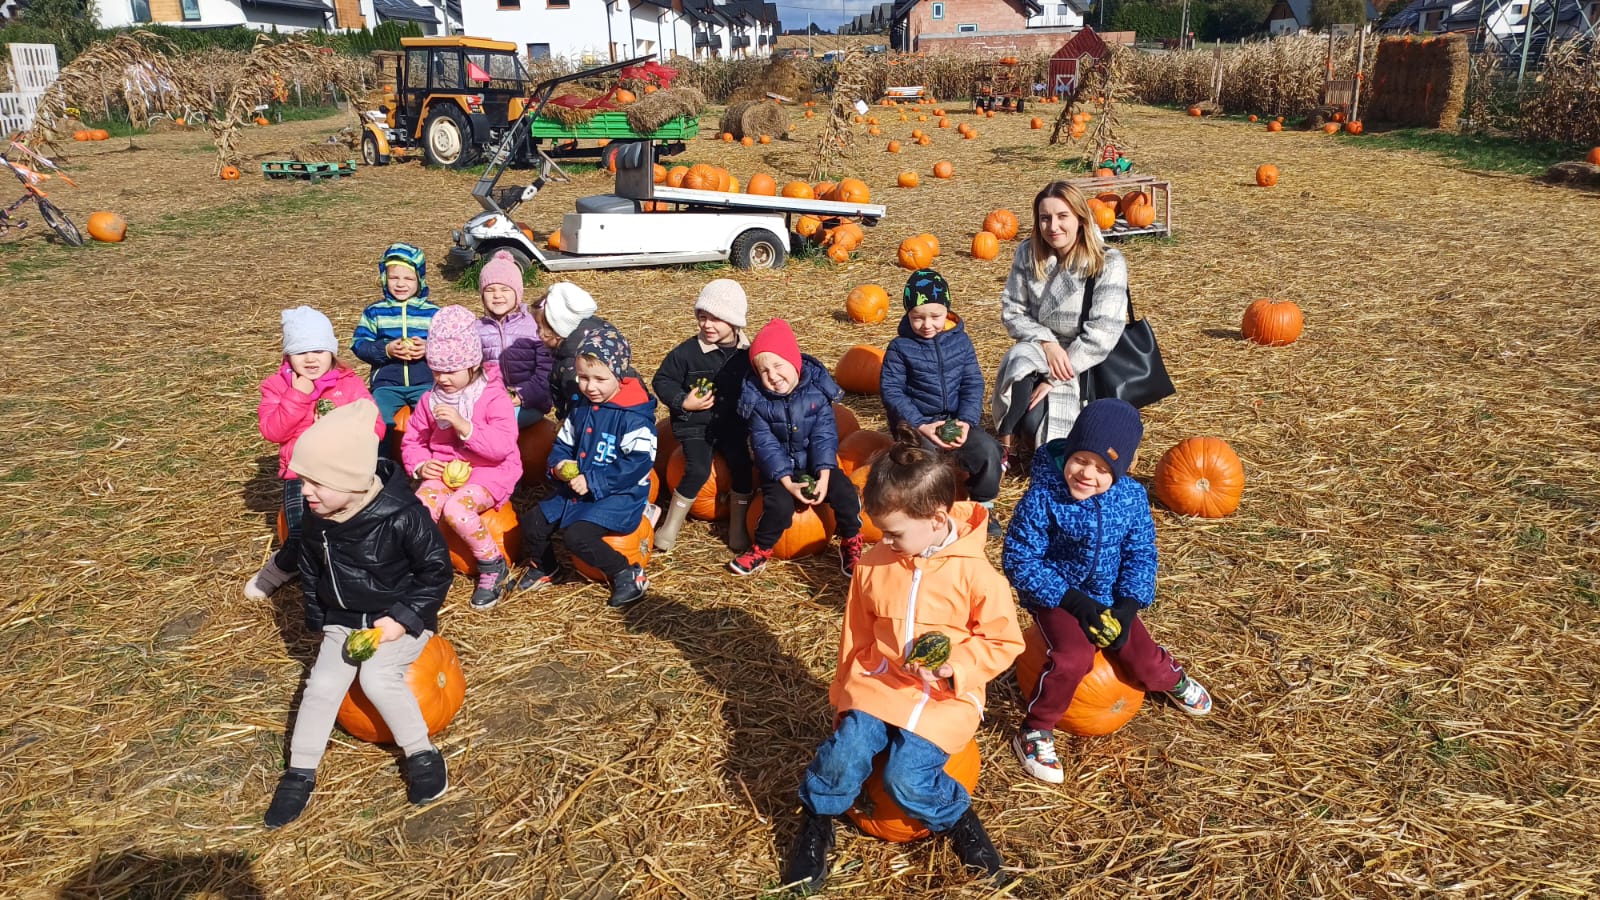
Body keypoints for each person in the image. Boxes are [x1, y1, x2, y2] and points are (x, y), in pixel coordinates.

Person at [781, 428, 1024, 892]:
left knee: (906, 778)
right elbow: (856, 634)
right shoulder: (874, 564)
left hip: (943, 697)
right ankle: (817, 819)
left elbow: (1003, 641)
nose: (884, 541)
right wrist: (844, 695)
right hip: (879, 682)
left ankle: (958, 820)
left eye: (893, 533)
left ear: (936, 518)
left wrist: (958, 667)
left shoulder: (977, 575)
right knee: (844, 753)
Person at [263, 399, 453, 829]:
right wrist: (320, 622)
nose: (304, 491)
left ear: (350, 481)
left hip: (397, 619)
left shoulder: (403, 517)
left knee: (377, 678)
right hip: (344, 620)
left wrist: (403, 618)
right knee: (322, 685)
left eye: (316, 482)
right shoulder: (316, 519)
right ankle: (299, 771)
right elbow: (310, 572)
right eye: (303, 480)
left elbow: (436, 572)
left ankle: (421, 752)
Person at [1003, 399, 1212, 785]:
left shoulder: (1131, 498)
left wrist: (1128, 605)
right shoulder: (1043, 496)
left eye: (1103, 468)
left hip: (1111, 598)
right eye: (1081, 460)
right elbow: (1019, 559)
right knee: (1073, 658)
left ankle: (1172, 680)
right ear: (1069, 450)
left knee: (1142, 656)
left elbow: (1141, 553)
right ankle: (1035, 729)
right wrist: (1074, 602)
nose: (1087, 474)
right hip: (1058, 596)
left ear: (1123, 469)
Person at [991, 181, 1130, 472]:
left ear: (1080, 218)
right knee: (1018, 359)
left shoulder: (1107, 262)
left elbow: (1102, 333)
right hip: (1041, 349)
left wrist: (1053, 378)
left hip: (1083, 362)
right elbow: (1012, 310)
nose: (1053, 227)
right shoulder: (1028, 253)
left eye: (1062, 216)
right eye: (1045, 218)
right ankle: (1007, 446)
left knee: (1036, 424)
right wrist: (1046, 342)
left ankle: (1037, 433)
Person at [516, 324, 656, 608]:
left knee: (578, 536)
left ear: (619, 375)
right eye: (583, 377)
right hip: (576, 488)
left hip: (619, 494)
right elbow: (564, 444)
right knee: (532, 522)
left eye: (600, 379)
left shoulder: (634, 417)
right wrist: (558, 466)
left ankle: (627, 573)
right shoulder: (580, 408)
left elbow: (638, 463)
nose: (590, 386)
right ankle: (546, 568)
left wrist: (594, 481)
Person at [247, 306, 381, 600]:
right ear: (288, 355)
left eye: (318, 350)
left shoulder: (348, 384)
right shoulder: (277, 387)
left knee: (354, 528)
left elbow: (375, 425)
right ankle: (283, 566)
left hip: (344, 473)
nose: (310, 359)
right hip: (300, 475)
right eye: (301, 351)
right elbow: (273, 431)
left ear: (331, 352)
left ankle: (349, 572)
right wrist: (298, 395)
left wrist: (343, 428)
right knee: (299, 531)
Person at [399, 305, 522, 610]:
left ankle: (493, 564)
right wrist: (420, 465)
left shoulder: (493, 396)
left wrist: (464, 426)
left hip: (489, 471)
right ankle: (428, 565)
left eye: (450, 371)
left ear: (473, 364)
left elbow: (502, 446)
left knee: (456, 509)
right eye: (436, 370)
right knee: (420, 507)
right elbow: (414, 439)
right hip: (444, 471)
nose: (442, 378)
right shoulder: (430, 400)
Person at [733, 318, 864, 577]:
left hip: (815, 464)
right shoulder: (758, 402)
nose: (772, 376)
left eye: (778, 366)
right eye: (764, 371)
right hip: (780, 470)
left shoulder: (817, 393)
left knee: (845, 493)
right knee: (778, 508)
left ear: (794, 362)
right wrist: (787, 482)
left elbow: (824, 436)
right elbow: (765, 446)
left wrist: (824, 475)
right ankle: (761, 549)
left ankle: (851, 540)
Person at [879, 269, 1005, 537]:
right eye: (918, 317)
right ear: (907, 315)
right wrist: (920, 425)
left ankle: (982, 506)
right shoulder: (900, 348)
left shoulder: (961, 342)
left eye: (935, 316)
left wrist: (966, 421)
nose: (927, 324)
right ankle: (930, 513)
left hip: (956, 421)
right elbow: (892, 392)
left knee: (988, 451)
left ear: (947, 311)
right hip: (918, 425)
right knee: (924, 463)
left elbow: (972, 383)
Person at [649, 278, 756, 552]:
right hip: (696, 425)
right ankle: (670, 527)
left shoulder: (748, 354)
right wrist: (683, 401)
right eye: (702, 317)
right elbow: (662, 380)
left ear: (734, 321)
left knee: (743, 467)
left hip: (732, 425)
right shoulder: (687, 352)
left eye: (716, 319)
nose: (707, 324)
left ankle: (737, 526)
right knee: (697, 469)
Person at [350, 242, 440, 434]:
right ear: (384, 278)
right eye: (393, 277)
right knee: (378, 420)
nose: (400, 284)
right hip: (386, 385)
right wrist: (386, 350)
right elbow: (359, 344)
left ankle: (431, 450)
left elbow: (448, 346)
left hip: (425, 383)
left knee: (433, 419)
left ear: (419, 280)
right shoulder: (375, 312)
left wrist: (429, 348)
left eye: (408, 278)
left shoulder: (433, 313)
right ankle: (381, 452)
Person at [532, 281, 638, 421]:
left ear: (556, 329)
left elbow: (576, 405)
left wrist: (566, 423)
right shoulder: (605, 341)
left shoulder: (572, 364)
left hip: (597, 423)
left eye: (540, 327)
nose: (538, 333)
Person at [474, 249, 553, 429]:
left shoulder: (533, 325)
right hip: (491, 401)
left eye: (505, 289)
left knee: (500, 423)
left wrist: (522, 394)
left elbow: (545, 369)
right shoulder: (477, 329)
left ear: (517, 293)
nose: (497, 295)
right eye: (489, 290)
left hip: (528, 401)